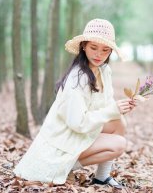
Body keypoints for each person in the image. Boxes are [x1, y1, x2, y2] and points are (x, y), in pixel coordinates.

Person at [13, 19, 136, 189]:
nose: (99, 54)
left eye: (105, 50)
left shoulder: (104, 70)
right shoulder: (77, 79)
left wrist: (120, 108)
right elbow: (77, 123)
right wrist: (113, 110)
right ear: (83, 46)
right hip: (64, 137)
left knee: (119, 122)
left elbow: (107, 106)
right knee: (119, 144)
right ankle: (63, 167)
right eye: (93, 47)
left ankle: (102, 177)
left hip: (79, 132)